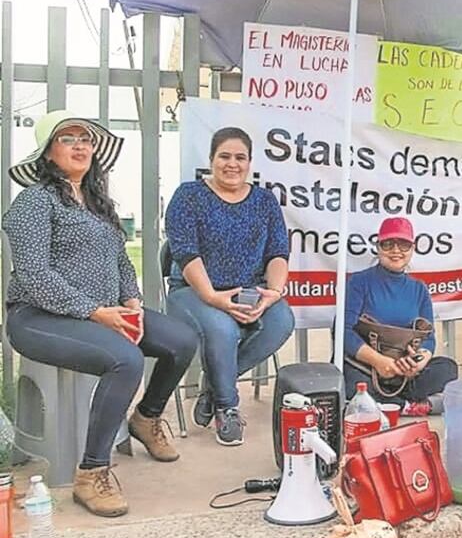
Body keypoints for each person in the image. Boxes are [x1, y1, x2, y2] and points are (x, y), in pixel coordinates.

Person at [3, 111, 199, 517]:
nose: (80, 146)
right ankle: (91, 474)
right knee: (124, 360)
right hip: (39, 317)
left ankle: (146, 419)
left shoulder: (97, 203)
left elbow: (121, 262)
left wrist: (130, 302)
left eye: (86, 139)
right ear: (47, 152)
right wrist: (94, 312)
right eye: (67, 138)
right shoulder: (34, 202)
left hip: (105, 311)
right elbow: (34, 275)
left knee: (181, 340)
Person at [164, 127, 295, 446]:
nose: (232, 164)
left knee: (281, 321)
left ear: (250, 162)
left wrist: (273, 294)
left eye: (240, 157)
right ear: (211, 159)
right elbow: (184, 252)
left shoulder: (264, 201)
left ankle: (214, 386)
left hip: (250, 290)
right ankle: (227, 407)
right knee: (223, 329)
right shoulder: (189, 196)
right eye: (224, 156)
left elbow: (278, 253)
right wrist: (212, 296)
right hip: (194, 291)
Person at [340, 217, 458, 416]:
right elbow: (343, 331)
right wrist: (379, 361)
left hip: (405, 371)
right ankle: (411, 406)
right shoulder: (358, 282)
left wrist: (417, 364)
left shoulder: (419, 289)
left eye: (403, 244)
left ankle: (391, 405)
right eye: (388, 244)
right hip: (367, 367)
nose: (396, 250)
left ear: (413, 248)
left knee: (447, 368)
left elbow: (429, 339)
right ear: (378, 247)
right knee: (351, 383)